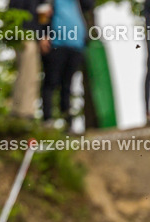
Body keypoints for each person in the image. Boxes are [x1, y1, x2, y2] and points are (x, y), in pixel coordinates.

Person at [41, 0, 95, 129]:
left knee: (68, 85)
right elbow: (42, 13)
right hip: (56, 44)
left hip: (76, 46)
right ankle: (47, 120)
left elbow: (89, 4)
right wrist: (43, 35)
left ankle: (67, 123)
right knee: (51, 82)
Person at [9, 0, 41, 119]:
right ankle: (23, 111)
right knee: (27, 73)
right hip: (26, 35)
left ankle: (23, 109)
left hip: (29, 36)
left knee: (30, 74)